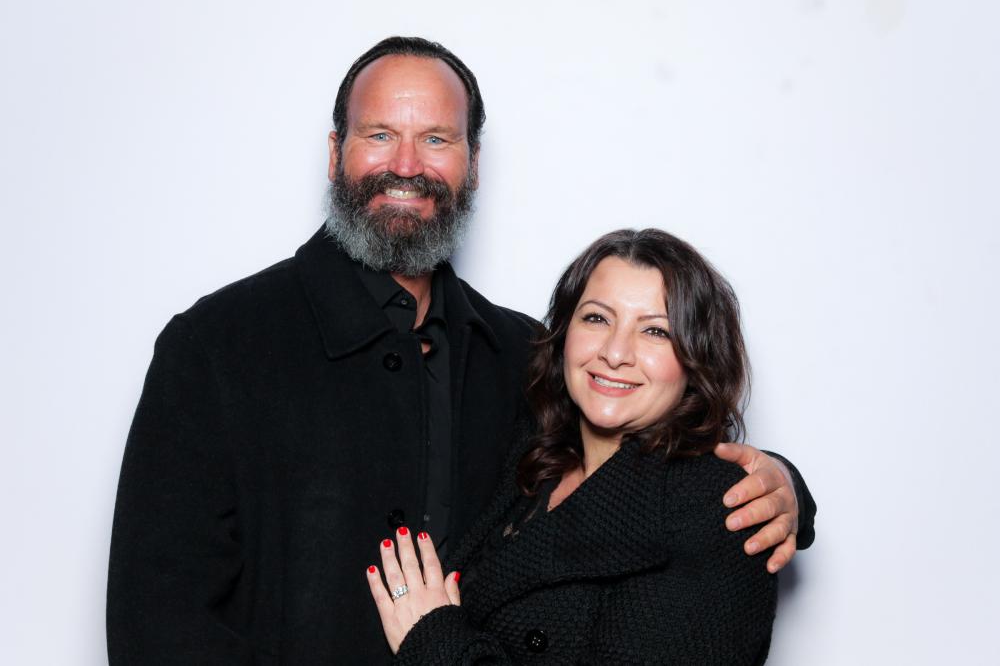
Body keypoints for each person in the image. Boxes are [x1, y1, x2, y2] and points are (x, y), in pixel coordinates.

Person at [107, 37, 815, 664]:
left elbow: (636, 471)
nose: (406, 165)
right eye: (380, 134)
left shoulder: (525, 355)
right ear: (334, 153)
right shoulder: (217, 346)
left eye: (437, 139)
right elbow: (158, 624)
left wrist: (781, 488)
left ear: (473, 165)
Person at [369, 229, 780, 664]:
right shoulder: (532, 457)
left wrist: (434, 640)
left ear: (697, 358)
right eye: (597, 319)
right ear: (564, 333)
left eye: (655, 331)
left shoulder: (726, 513)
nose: (615, 353)